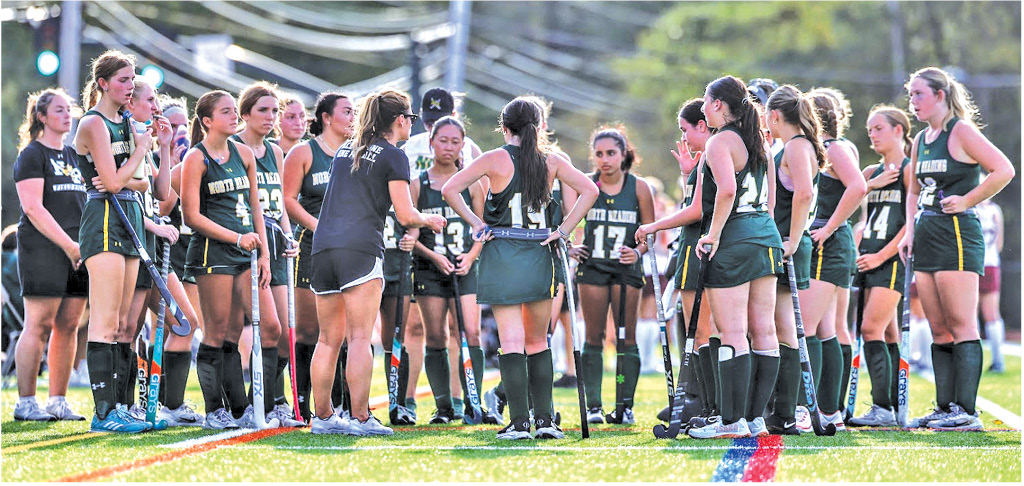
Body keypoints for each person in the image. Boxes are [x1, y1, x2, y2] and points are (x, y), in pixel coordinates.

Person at [442, 97, 598, 440]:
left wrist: (475, 222)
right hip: (540, 253)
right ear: (539, 127)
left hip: (503, 254)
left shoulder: (494, 158)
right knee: (538, 340)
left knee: (511, 341)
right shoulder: (552, 160)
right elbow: (591, 189)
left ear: (504, 127)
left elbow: (449, 188)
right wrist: (563, 231)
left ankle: (519, 423)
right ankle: (545, 421)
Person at [308, 89, 446, 435]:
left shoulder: (345, 148)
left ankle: (322, 418)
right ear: (399, 120)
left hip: (323, 246)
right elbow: (405, 214)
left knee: (328, 339)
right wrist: (428, 220)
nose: (411, 124)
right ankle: (359, 417)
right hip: (359, 248)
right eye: (410, 118)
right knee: (359, 338)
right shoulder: (394, 155)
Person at [899, 67, 1014, 430]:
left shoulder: (960, 131)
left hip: (957, 234)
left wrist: (967, 200)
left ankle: (966, 411)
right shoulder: (921, 139)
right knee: (937, 328)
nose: (913, 102)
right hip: (926, 233)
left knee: (961, 323)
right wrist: (908, 232)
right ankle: (945, 407)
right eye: (910, 95)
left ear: (940, 95)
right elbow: (914, 190)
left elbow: (1004, 170)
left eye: (919, 94)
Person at [686, 76, 782, 438]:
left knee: (732, 331)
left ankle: (731, 420)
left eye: (706, 101)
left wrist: (712, 234)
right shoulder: (759, 140)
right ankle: (755, 418)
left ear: (717, 105)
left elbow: (726, 191)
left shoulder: (719, 141)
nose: (703, 108)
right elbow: (771, 200)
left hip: (735, 237)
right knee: (765, 331)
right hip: (765, 235)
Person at [74, 50, 163, 433]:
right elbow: (110, 183)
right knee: (106, 322)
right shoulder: (93, 123)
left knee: (125, 325)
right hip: (105, 221)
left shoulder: (126, 121)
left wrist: (127, 175)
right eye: (123, 80)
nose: (130, 86)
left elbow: (143, 182)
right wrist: (138, 153)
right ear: (103, 84)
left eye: (132, 79)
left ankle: (120, 407)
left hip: (130, 219)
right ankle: (104, 413)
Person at [181, 90, 274, 430]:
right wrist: (236, 238)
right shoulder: (196, 158)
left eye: (235, 110)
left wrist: (264, 253)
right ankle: (215, 410)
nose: (234, 116)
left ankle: (243, 407)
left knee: (265, 327)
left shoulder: (244, 153)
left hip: (247, 252)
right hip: (213, 253)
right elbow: (191, 216)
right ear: (207, 121)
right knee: (217, 330)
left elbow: (255, 207)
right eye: (226, 112)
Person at [401, 87, 483, 421]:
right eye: (442, 141)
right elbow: (410, 232)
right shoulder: (418, 182)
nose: (448, 147)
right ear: (431, 143)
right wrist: (432, 256)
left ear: (463, 145)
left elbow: (482, 227)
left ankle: (470, 402)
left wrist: (472, 255)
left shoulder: (472, 181)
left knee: (469, 332)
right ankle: (443, 405)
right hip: (429, 266)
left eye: (455, 142)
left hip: (464, 266)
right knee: (433, 334)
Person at [119, 79, 195, 427]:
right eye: (150, 101)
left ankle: (167, 404)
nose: (176, 131)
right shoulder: (126, 140)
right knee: (128, 328)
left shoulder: (152, 148)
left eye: (182, 126)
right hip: (134, 246)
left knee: (184, 322)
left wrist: (166, 151)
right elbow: (142, 202)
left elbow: (160, 196)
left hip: (157, 252)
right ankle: (123, 405)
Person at [636, 98, 716, 424]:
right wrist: (687, 174)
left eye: (686, 130)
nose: (683, 138)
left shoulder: (717, 153)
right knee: (692, 330)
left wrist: (654, 225)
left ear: (702, 125)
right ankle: (693, 399)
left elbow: (696, 212)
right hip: (690, 248)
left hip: (703, 249)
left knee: (703, 333)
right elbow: (693, 202)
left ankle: (708, 405)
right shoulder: (706, 159)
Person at [12, 88, 89, 421]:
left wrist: (80, 245)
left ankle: (58, 400)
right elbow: (33, 208)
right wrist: (68, 246)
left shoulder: (74, 155)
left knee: (69, 325)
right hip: (44, 247)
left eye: (68, 109)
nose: (66, 115)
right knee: (39, 324)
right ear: (41, 117)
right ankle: (26, 402)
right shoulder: (32, 154)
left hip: (78, 248)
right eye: (58, 110)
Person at [570, 125, 654, 425]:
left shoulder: (639, 187)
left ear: (623, 154)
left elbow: (650, 233)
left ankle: (624, 405)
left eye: (610, 153)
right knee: (593, 336)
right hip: (593, 266)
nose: (604, 160)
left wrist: (638, 251)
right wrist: (570, 246)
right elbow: (565, 221)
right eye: (599, 154)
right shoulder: (585, 184)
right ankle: (593, 405)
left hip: (625, 270)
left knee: (626, 337)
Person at [230, 81, 302, 427]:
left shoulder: (274, 151)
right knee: (266, 327)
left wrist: (288, 235)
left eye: (274, 111)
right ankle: (255, 404)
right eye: (263, 110)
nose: (270, 117)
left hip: (275, 242)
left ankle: (273, 402)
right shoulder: (232, 147)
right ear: (245, 114)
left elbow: (280, 202)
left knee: (286, 332)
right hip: (246, 244)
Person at [282, 92, 355, 421]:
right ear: (326, 117)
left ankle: (343, 405)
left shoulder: (357, 153)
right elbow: (288, 199)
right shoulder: (304, 152)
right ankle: (301, 404)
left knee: (345, 332)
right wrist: (319, 227)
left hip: (350, 249)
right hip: (312, 246)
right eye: (347, 111)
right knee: (310, 331)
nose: (353, 118)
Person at [801, 90, 867, 430]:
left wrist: (828, 227)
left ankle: (810, 408)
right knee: (826, 328)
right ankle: (829, 411)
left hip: (827, 242)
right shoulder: (820, 147)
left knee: (808, 327)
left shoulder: (833, 147)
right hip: (824, 241)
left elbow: (858, 187)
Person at [765, 84, 826, 435]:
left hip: (788, 244)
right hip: (783, 242)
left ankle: (786, 411)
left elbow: (803, 193)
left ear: (775, 116)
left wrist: (792, 239)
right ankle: (779, 408)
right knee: (775, 325)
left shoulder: (797, 146)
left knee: (784, 326)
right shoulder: (792, 145)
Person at [847, 105, 914, 427]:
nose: (872, 135)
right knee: (886, 332)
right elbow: (853, 202)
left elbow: (910, 222)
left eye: (879, 129)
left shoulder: (909, 169)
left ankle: (882, 407)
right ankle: (892, 406)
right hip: (868, 256)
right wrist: (871, 186)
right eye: (870, 130)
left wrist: (882, 256)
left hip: (891, 259)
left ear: (898, 130)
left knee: (870, 328)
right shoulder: (871, 172)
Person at [975, 196, 1005, 373]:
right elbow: (999, 244)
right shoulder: (995, 210)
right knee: (992, 315)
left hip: (973, 264)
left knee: (970, 316)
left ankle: (974, 362)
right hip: (992, 263)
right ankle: (998, 361)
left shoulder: (971, 208)